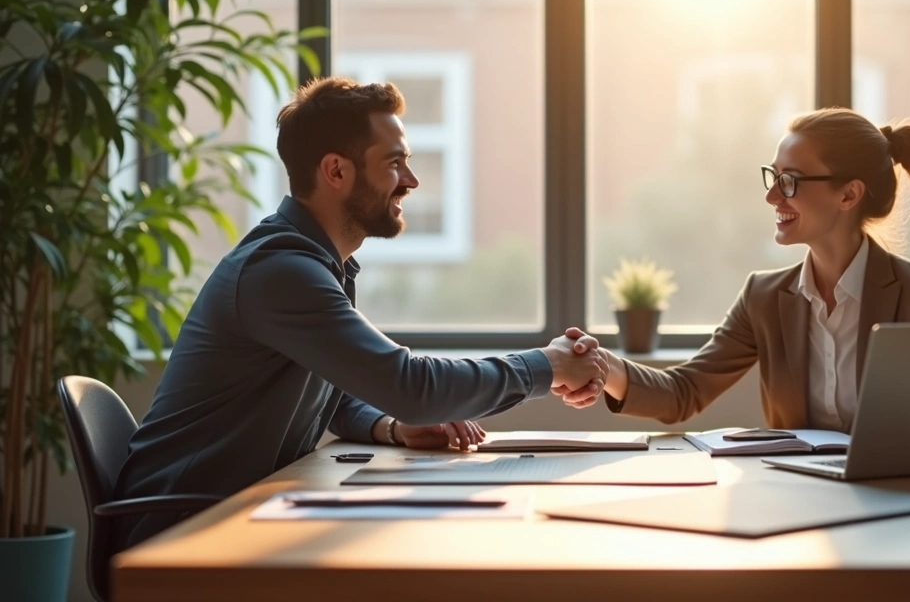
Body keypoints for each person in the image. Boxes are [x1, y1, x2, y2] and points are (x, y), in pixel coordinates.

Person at [113, 77, 605, 549]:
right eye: (394, 163)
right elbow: (412, 387)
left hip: (231, 516)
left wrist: (392, 428)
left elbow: (336, 394)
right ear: (336, 171)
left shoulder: (315, 264)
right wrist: (549, 364)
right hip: (182, 531)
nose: (410, 181)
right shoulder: (282, 271)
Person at [555, 108, 910, 432]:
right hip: (797, 501)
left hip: (899, 506)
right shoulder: (764, 298)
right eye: (773, 177)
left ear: (849, 194)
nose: (771, 196)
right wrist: (604, 366)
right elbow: (685, 392)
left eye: (789, 181)